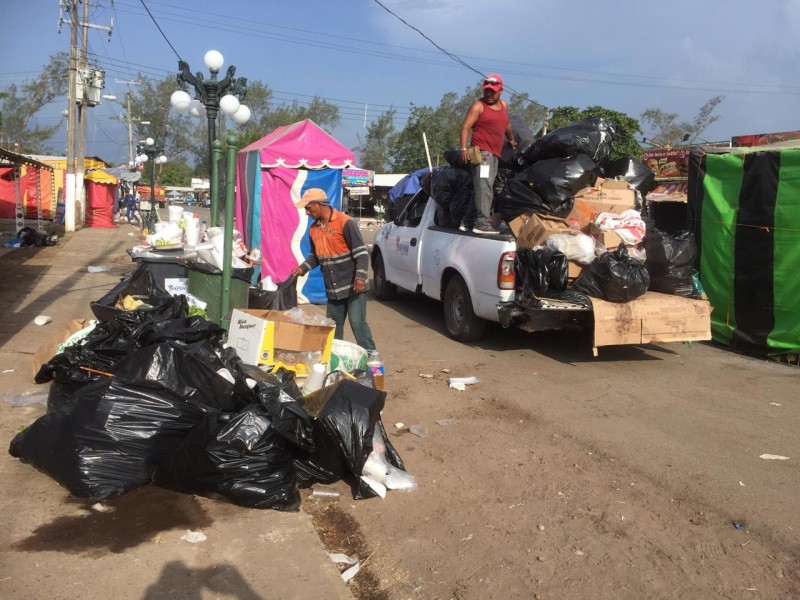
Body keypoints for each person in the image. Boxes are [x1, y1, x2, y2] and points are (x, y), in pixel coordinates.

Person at [290, 188, 377, 353]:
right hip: (333, 289)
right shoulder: (314, 229)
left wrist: (360, 277)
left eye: (308, 208)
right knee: (333, 328)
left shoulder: (345, 222)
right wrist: (302, 268)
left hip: (353, 286)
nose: (307, 213)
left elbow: (361, 253)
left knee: (357, 324)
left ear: (318, 204)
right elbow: (315, 256)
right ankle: (334, 358)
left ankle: (372, 358)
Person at [459, 73, 517, 235]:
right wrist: (463, 148)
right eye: (487, 91)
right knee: (484, 187)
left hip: (494, 153)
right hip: (482, 153)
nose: (489, 94)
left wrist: (511, 140)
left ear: (500, 91)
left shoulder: (503, 106)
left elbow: (507, 125)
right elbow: (465, 127)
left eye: (493, 91)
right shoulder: (478, 105)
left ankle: (468, 221)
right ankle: (482, 223)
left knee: (482, 186)